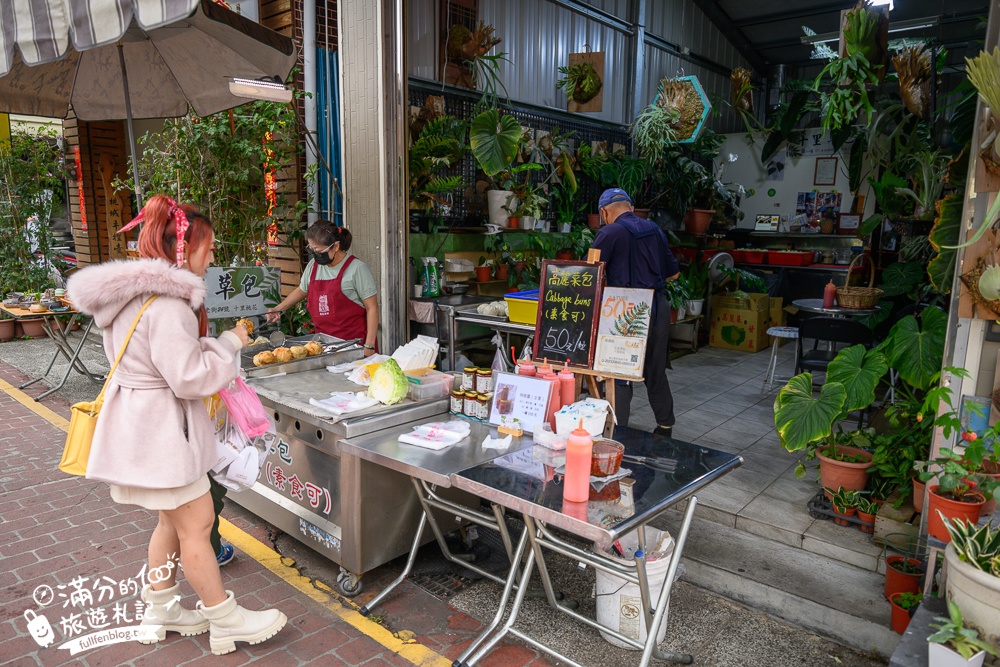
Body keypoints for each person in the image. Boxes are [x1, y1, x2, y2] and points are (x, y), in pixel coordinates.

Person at [67, 195, 287, 655]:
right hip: (164, 433)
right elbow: (189, 378)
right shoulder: (166, 305)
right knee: (198, 523)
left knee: (170, 522)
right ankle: (224, 620)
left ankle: (161, 606)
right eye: (208, 248)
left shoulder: (127, 297)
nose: (212, 259)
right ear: (182, 250)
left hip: (141, 429)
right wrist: (228, 343)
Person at [591, 188, 680, 436]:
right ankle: (665, 426)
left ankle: (618, 433)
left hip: (625, 309)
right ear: (630, 207)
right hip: (658, 307)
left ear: (604, 212)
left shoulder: (607, 233)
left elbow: (590, 273)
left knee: (619, 371)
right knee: (655, 369)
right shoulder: (655, 230)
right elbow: (674, 273)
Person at [266, 221, 379, 356]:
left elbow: (372, 308)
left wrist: (369, 345)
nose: (316, 255)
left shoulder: (357, 269)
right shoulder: (313, 265)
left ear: (336, 246)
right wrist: (279, 309)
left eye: (320, 251)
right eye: (311, 249)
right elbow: (302, 290)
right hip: (322, 346)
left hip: (353, 345)